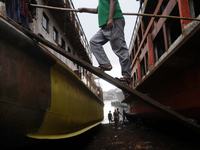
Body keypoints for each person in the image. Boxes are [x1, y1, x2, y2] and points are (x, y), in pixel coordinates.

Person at [78, 0, 131, 84]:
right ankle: (105, 64)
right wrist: (84, 9)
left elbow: (113, 1)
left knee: (120, 49)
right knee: (94, 41)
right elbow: (97, 10)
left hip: (114, 21)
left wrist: (110, 18)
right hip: (105, 25)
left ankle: (127, 76)